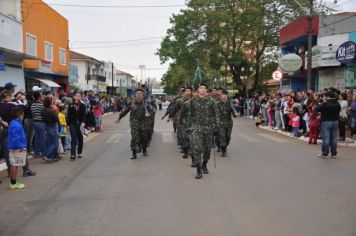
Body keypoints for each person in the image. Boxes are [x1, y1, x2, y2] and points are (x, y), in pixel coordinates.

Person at [188, 83, 219, 179]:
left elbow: (216, 113)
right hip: (196, 128)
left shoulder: (211, 101)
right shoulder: (193, 101)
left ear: (206, 90)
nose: (203, 89)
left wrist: (216, 126)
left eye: (205, 88)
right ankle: (198, 170)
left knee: (207, 150)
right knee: (197, 148)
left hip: (208, 128)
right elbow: (189, 113)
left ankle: (204, 164)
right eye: (201, 88)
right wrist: (188, 126)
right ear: (198, 90)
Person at [117, 88, 150, 159]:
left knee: (143, 137)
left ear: (143, 95)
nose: (139, 95)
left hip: (143, 123)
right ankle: (134, 153)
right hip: (134, 123)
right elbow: (125, 111)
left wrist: (149, 113)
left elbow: (153, 110)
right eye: (137, 93)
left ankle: (144, 150)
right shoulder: (132, 103)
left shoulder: (146, 104)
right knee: (134, 137)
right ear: (135, 95)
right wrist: (119, 117)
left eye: (140, 93)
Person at [315, 91, 341, 159]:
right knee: (334, 139)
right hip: (335, 121)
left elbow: (317, 109)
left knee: (326, 139)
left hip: (326, 122)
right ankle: (334, 153)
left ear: (328, 97)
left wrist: (323, 102)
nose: (324, 97)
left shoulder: (325, 104)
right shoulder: (337, 104)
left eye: (325, 96)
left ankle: (325, 154)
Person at [8, 106, 27, 189]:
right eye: (23, 115)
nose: (23, 116)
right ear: (19, 115)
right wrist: (20, 147)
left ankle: (13, 182)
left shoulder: (13, 123)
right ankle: (13, 183)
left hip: (14, 147)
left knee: (15, 164)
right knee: (15, 165)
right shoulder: (16, 125)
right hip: (17, 148)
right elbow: (16, 139)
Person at [67, 92, 86, 160]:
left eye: (79, 96)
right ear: (74, 97)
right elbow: (68, 115)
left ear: (81, 97)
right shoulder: (71, 105)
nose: (78, 97)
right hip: (72, 124)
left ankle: (79, 152)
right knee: (73, 139)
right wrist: (68, 124)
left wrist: (83, 122)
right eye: (76, 96)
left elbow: (84, 115)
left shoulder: (83, 105)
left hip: (80, 124)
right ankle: (72, 155)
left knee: (80, 139)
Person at [217, 90, 236, 157]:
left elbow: (234, 111)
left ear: (227, 96)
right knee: (222, 136)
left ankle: (225, 146)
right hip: (220, 123)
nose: (224, 96)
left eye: (226, 94)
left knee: (228, 137)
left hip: (229, 123)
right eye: (223, 94)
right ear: (221, 96)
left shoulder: (230, 104)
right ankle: (223, 150)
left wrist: (235, 114)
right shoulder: (217, 104)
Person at [42, 97, 59, 163]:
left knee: (49, 142)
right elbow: (56, 118)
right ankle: (47, 155)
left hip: (46, 126)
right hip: (52, 126)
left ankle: (50, 156)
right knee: (54, 143)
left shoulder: (43, 110)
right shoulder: (51, 110)